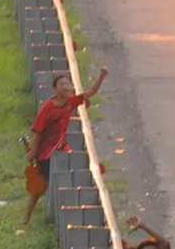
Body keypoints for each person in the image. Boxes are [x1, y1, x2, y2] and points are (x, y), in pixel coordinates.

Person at [21, 67, 109, 225]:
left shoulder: (71, 102)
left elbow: (90, 93)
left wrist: (101, 77)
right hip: (45, 152)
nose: (66, 86)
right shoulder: (48, 108)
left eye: (68, 83)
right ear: (55, 88)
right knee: (40, 186)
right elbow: (38, 131)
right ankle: (27, 215)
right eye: (62, 83)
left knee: (68, 175)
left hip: (62, 148)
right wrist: (33, 150)